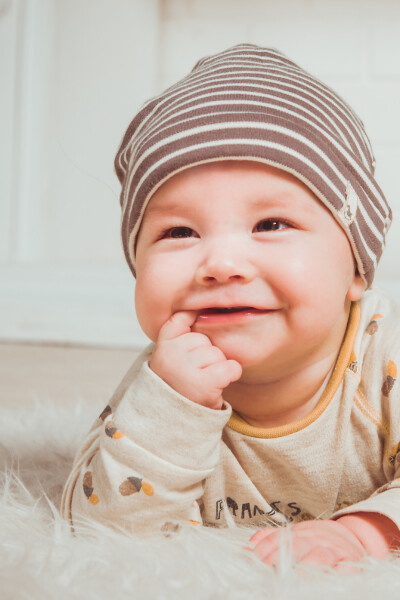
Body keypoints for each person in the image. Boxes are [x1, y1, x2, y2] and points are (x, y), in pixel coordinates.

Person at [61, 44, 400, 569]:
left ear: (356, 268)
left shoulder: (386, 357)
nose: (221, 263)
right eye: (179, 231)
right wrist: (172, 411)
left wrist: (362, 535)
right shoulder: (165, 381)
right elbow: (102, 530)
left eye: (271, 225)